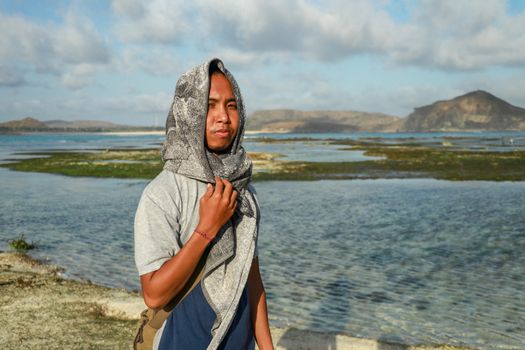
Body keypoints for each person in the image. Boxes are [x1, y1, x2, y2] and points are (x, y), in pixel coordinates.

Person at [134, 58, 274, 350]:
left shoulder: (244, 192)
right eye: (210, 105)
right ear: (188, 111)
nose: (223, 116)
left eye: (231, 105)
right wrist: (207, 228)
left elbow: (253, 282)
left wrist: (267, 347)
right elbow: (154, 295)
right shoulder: (163, 192)